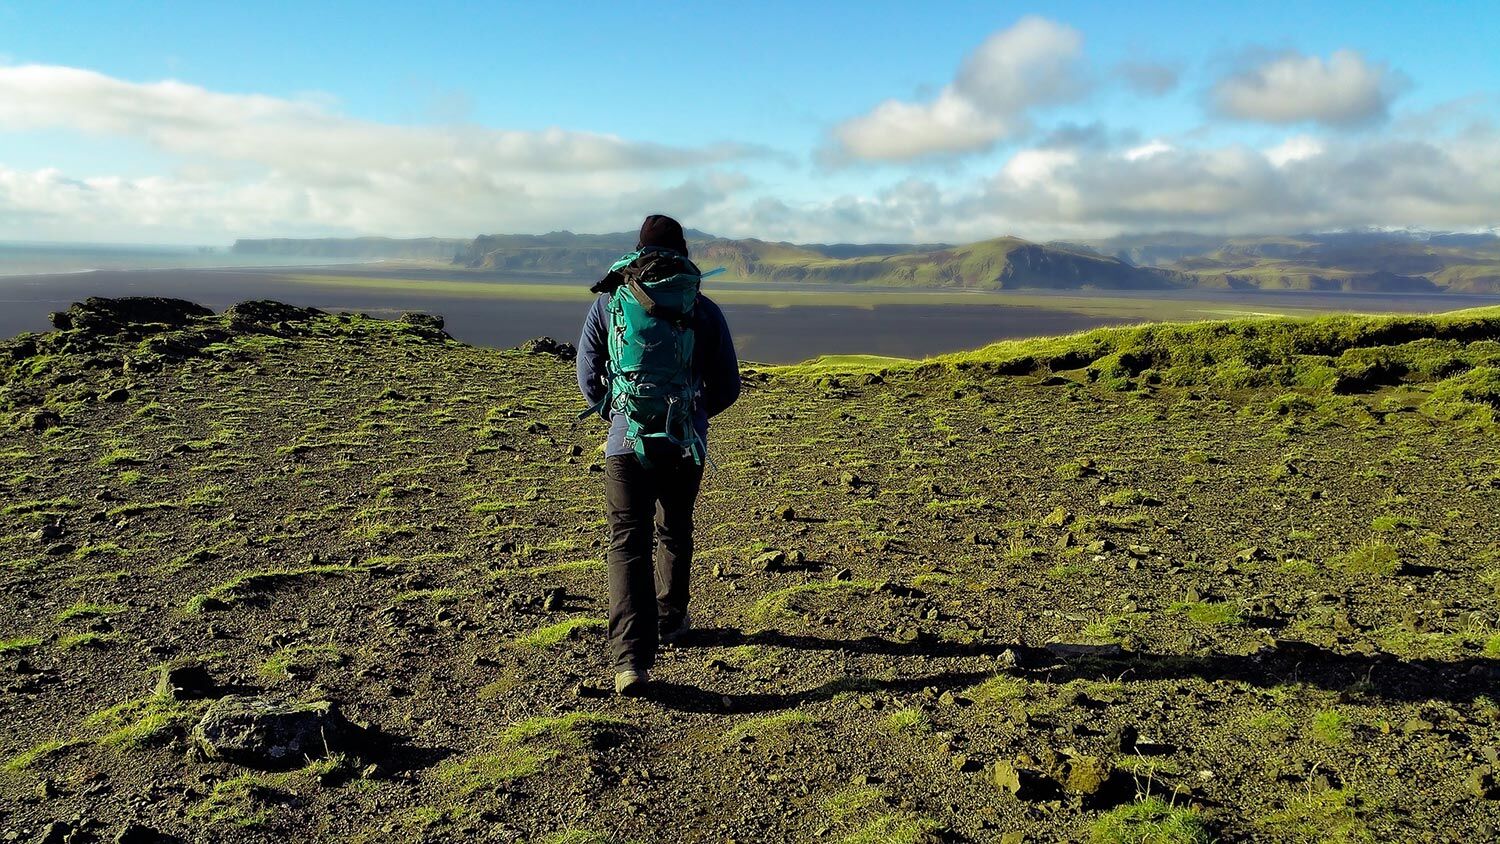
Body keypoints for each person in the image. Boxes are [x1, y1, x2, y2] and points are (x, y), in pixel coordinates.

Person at [576, 214, 740, 696]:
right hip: (684, 442)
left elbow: (587, 376)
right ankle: (671, 619)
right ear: (685, 250)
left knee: (627, 541)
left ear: (638, 248)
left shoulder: (611, 302)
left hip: (626, 443)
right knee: (674, 528)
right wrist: (692, 413)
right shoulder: (703, 308)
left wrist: (620, 412)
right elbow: (728, 385)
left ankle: (630, 660)